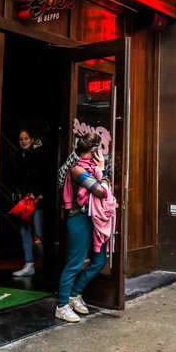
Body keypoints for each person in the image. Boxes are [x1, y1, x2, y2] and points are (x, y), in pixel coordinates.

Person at [55, 132, 110, 323]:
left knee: (99, 260)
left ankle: (74, 293)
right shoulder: (77, 169)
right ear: (95, 150)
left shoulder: (92, 167)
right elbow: (101, 191)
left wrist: (101, 170)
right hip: (79, 218)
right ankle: (62, 306)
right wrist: (103, 169)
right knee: (75, 263)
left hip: (94, 219)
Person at [12, 129, 46, 277]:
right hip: (24, 200)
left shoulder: (39, 154)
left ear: (31, 140)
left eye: (26, 138)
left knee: (39, 232)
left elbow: (43, 176)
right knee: (24, 231)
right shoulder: (18, 155)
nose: (23, 141)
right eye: (21, 139)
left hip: (37, 199)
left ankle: (48, 264)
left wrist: (37, 194)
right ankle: (29, 264)